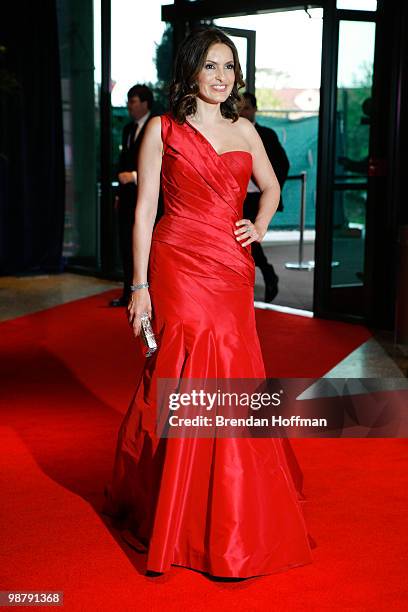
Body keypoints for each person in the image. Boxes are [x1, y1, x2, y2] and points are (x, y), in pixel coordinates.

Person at [102, 28, 313, 579]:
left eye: (230, 67)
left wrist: (259, 226)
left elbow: (272, 188)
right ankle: (176, 504)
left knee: (234, 368)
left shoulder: (244, 129)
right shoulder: (162, 129)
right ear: (191, 69)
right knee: (185, 365)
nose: (222, 77)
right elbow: (144, 210)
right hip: (177, 265)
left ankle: (226, 509)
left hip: (229, 267)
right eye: (212, 66)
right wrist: (140, 287)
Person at [110, 84, 162, 307]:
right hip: (128, 198)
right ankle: (128, 293)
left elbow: (162, 166)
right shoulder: (128, 129)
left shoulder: (158, 127)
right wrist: (120, 195)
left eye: (133, 101)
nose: (129, 106)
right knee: (126, 246)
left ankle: (152, 293)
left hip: (150, 199)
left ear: (145, 103)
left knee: (148, 248)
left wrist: (133, 176)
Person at [240, 92, 290, 302]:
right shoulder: (229, 133)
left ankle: (268, 275)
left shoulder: (267, 135)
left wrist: (269, 189)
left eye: (247, 108)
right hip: (237, 197)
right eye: (239, 108)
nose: (243, 112)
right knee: (245, 241)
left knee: (247, 240)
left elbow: (283, 164)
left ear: (254, 110)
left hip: (257, 197)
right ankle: (267, 275)